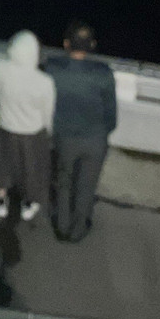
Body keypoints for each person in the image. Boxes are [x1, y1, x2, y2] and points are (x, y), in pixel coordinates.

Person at [44, 20, 116, 242]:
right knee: (87, 185)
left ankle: (62, 226)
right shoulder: (103, 73)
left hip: (65, 138)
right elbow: (111, 113)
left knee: (64, 183)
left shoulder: (52, 67)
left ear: (66, 44)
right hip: (95, 140)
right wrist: (104, 132)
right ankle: (77, 229)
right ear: (92, 45)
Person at [0, 30, 55, 222]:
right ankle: (29, 203)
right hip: (32, 134)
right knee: (31, 170)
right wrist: (48, 131)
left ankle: (0, 199)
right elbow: (47, 112)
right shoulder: (44, 82)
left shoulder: (0, 68)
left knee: (2, 166)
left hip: (4, 128)